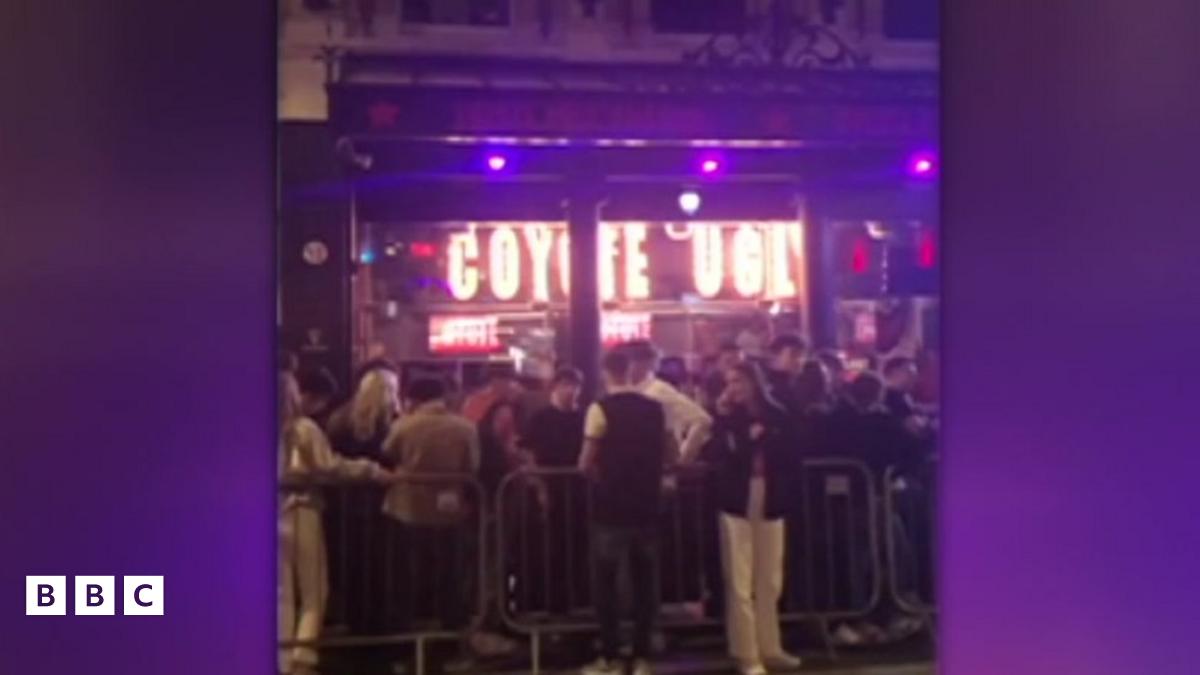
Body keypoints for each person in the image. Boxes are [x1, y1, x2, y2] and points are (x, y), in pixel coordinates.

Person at [278, 372, 392, 675]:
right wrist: (371, 471)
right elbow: (329, 466)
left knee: (282, 593)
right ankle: (303, 657)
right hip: (303, 509)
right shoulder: (304, 429)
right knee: (314, 590)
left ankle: (282, 658)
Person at [578, 350, 678, 675]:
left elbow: (585, 462)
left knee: (606, 583)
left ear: (606, 373)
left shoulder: (600, 409)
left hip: (610, 507)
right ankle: (642, 656)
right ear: (632, 371)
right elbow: (672, 452)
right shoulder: (656, 409)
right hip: (647, 505)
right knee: (645, 582)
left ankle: (610, 656)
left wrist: (600, 477)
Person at [381, 378, 492, 658]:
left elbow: (388, 453)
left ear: (414, 399)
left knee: (406, 575)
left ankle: (404, 639)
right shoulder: (465, 427)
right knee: (450, 574)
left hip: (407, 508)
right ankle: (451, 636)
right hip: (449, 508)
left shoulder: (404, 425)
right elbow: (472, 465)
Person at [707, 363, 803, 675]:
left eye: (738, 380)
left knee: (770, 577)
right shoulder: (726, 417)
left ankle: (770, 645)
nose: (733, 387)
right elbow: (724, 453)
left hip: (771, 494)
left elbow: (791, 452)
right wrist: (739, 431)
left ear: (753, 381)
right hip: (736, 498)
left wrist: (762, 438)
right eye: (730, 381)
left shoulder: (777, 413)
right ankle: (746, 652)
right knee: (740, 579)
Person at [322, 364, 401, 633]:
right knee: (381, 566)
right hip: (381, 503)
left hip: (344, 505)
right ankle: (379, 622)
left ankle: (354, 620)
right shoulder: (390, 424)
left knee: (352, 565)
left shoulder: (339, 419)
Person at [521, 367, 589, 613]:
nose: (571, 391)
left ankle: (579, 599)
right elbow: (527, 452)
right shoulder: (540, 418)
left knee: (579, 546)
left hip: (580, 490)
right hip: (551, 489)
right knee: (551, 548)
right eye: (566, 385)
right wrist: (539, 485)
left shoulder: (585, 417)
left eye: (575, 386)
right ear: (555, 387)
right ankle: (552, 601)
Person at [622, 340, 712, 463]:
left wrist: (684, 457)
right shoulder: (629, 391)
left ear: (644, 364)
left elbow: (702, 419)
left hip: (657, 463)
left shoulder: (659, 390)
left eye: (628, 362)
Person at [764, 334, 807, 413]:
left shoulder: (802, 386)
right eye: (793, 354)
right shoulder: (764, 387)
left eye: (802, 355)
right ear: (775, 356)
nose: (799, 360)